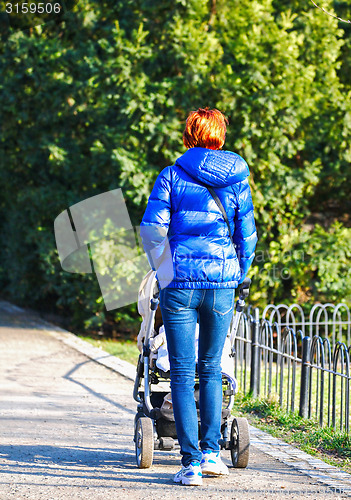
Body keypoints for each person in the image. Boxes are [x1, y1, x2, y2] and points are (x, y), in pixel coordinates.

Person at [140, 107, 257, 486]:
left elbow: (152, 230)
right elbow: (247, 236)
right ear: (219, 135)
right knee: (211, 368)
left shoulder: (171, 176)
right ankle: (211, 454)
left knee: (182, 371)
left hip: (181, 286)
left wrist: (166, 272)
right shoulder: (237, 180)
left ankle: (189, 464)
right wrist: (236, 271)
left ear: (190, 134)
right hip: (222, 285)